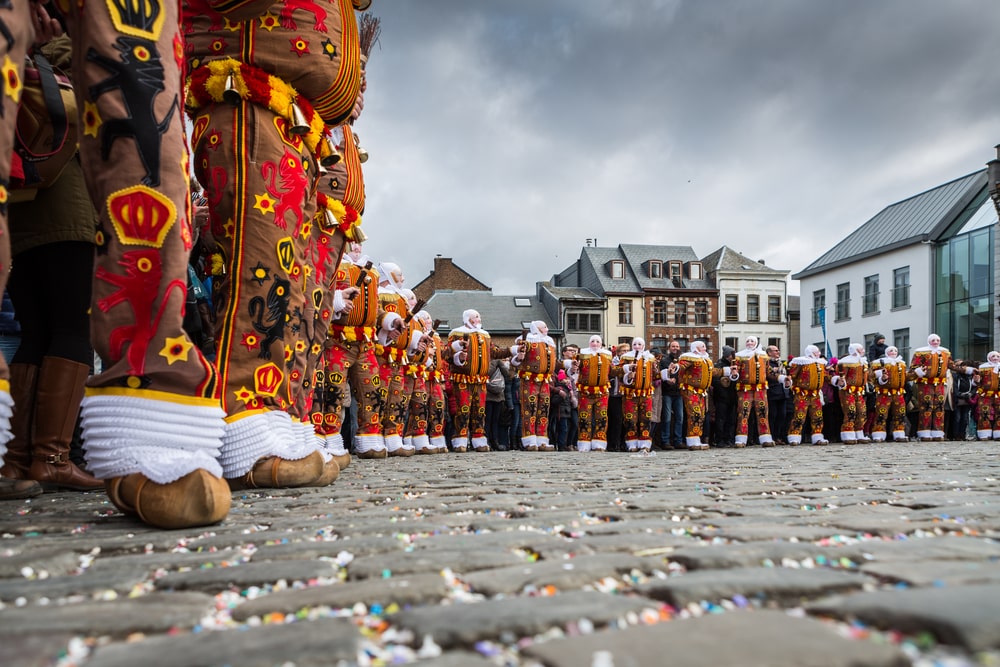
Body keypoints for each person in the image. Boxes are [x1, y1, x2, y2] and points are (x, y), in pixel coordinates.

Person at [184, 0, 371, 488]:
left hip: (286, 112)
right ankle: (244, 414)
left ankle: (279, 413)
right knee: (258, 264)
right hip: (248, 91)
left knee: (290, 288)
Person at [1, 33, 101, 493]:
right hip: (68, 212)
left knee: (35, 331)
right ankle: (52, 457)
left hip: (20, 208)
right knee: (71, 330)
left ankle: (18, 459)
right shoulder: (64, 40)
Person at [448, 309, 496, 452]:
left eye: (479, 316)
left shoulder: (485, 335)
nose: (479, 319)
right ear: (468, 319)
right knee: (463, 409)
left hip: (480, 380)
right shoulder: (456, 333)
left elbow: (493, 352)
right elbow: (447, 354)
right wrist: (458, 357)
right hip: (462, 378)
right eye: (476, 317)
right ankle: (460, 439)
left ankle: (478, 438)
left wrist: (513, 351)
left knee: (480, 411)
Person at [511, 321, 558, 451]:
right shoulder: (527, 341)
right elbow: (515, 360)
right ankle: (529, 439)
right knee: (529, 409)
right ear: (537, 328)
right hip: (529, 379)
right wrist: (519, 357)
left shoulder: (549, 343)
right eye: (544, 327)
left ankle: (542, 439)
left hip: (545, 381)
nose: (547, 329)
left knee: (543, 409)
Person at [908, 334, 956, 442]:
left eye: (938, 340)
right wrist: (920, 370)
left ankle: (937, 431)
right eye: (933, 340)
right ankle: (924, 431)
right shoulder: (921, 352)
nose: (936, 342)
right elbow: (914, 367)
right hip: (925, 383)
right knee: (926, 406)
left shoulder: (945, 353)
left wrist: (968, 370)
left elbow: (952, 365)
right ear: (929, 341)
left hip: (939, 383)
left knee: (939, 407)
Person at [671, 340, 714, 450]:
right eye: (702, 346)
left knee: (701, 416)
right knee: (695, 414)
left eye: (704, 346)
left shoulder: (706, 360)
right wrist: (676, 366)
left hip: (702, 392)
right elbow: (682, 365)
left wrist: (727, 371)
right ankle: (692, 439)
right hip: (690, 390)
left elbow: (714, 372)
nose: (705, 348)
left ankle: (696, 439)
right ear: (696, 348)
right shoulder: (690, 358)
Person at [732, 336, 774, 447]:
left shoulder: (764, 356)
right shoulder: (740, 356)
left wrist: (781, 378)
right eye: (747, 341)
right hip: (745, 389)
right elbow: (735, 370)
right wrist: (734, 374)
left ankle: (765, 437)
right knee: (743, 413)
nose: (749, 343)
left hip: (761, 389)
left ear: (756, 343)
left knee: (763, 413)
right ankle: (741, 438)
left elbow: (768, 372)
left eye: (752, 341)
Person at [786, 345, 830, 446]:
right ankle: (794, 436)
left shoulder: (820, 363)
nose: (818, 353)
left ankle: (817, 436)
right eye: (816, 352)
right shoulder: (801, 362)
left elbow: (826, 376)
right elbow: (792, 374)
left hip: (815, 394)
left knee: (818, 416)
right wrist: (788, 380)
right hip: (802, 393)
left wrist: (836, 380)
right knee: (799, 416)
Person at [575, 335, 612, 452]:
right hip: (585, 391)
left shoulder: (607, 356)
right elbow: (574, 366)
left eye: (597, 342)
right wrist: (573, 366)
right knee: (584, 417)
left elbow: (613, 370)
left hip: (602, 392)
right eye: (592, 341)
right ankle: (584, 441)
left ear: (601, 344)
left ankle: (599, 442)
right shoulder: (583, 355)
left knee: (601, 417)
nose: (595, 344)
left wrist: (627, 369)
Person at [620, 337, 658, 452]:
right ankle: (632, 442)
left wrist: (663, 371)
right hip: (630, 393)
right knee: (630, 419)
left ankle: (645, 442)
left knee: (645, 418)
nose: (637, 346)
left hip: (646, 393)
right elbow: (617, 372)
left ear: (643, 345)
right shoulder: (626, 357)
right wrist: (627, 372)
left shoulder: (650, 358)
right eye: (635, 344)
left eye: (639, 344)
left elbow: (656, 375)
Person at [870, 346, 909, 443]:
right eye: (891, 350)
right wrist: (882, 378)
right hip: (884, 393)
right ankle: (878, 433)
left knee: (900, 414)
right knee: (881, 414)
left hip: (898, 393)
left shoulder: (901, 364)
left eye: (895, 350)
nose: (894, 352)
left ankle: (899, 433)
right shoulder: (879, 363)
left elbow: (906, 377)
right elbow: (872, 376)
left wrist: (917, 372)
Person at [832, 343, 870, 444]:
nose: (863, 350)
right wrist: (839, 381)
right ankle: (848, 433)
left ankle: (859, 433)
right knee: (850, 412)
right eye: (861, 349)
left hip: (859, 391)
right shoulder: (846, 362)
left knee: (862, 412)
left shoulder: (863, 362)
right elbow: (838, 376)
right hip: (847, 391)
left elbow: (868, 376)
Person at [659, 340, 683, 449]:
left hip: (678, 392)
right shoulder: (664, 361)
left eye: (677, 346)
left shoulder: (682, 360)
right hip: (667, 392)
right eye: (673, 346)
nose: (675, 348)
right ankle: (665, 441)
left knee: (680, 418)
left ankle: (678, 441)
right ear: (669, 348)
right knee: (667, 418)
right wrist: (668, 377)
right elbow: (662, 375)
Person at [711, 346, 737, 447]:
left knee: (731, 419)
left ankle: (729, 439)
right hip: (721, 397)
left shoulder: (735, 365)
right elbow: (715, 381)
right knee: (721, 419)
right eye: (732, 355)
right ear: (727, 356)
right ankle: (719, 439)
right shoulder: (719, 366)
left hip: (732, 396)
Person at [975, 351, 1000, 441]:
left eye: (998, 356)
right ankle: (984, 433)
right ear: (989, 358)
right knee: (985, 413)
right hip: (985, 394)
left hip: (998, 394)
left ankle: (998, 433)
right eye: (993, 356)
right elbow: (977, 381)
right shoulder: (983, 368)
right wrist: (976, 380)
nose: (996, 358)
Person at [950, 359, 976, 441]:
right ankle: (956, 435)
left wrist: (971, 394)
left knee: (965, 418)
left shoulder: (971, 376)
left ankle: (963, 434)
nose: (962, 367)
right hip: (958, 399)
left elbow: (975, 386)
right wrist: (960, 394)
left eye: (964, 365)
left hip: (968, 399)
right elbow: (954, 388)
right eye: (960, 365)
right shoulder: (955, 376)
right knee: (957, 417)